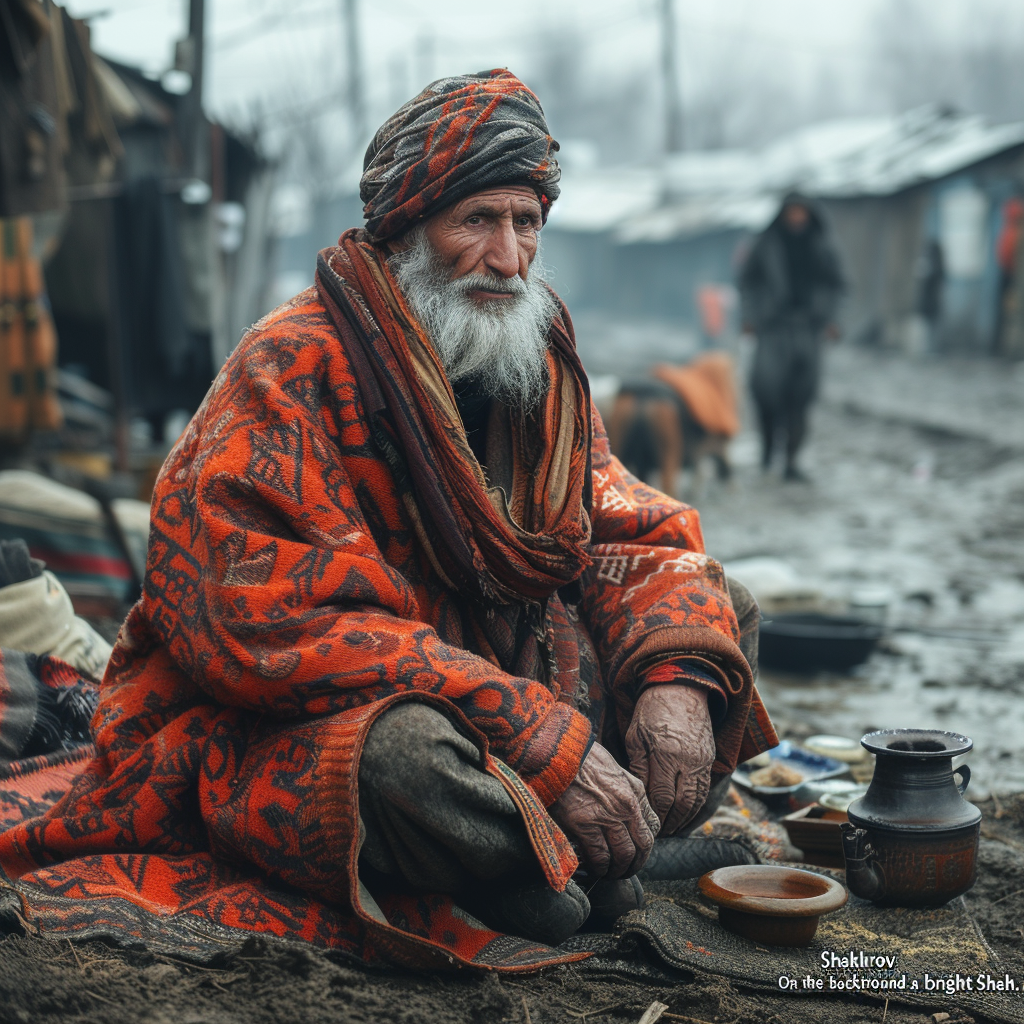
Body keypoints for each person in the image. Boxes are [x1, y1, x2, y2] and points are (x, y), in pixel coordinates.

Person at [0, 71, 775, 972]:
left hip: (507, 707)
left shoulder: (534, 362)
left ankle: (566, 868)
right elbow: (264, 625)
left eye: (527, 223)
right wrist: (531, 730)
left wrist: (674, 682)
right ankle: (564, 869)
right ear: (404, 229)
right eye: (477, 221)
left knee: (717, 616)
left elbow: (629, 531)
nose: (510, 258)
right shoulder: (287, 368)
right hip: (298, 725)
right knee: (406, 761)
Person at [739, 193, 844, 481]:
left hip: (808, 330)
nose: (797, 219)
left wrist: (831, 319)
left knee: (801, 396)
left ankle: (792, 461)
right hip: (772, 329)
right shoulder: (766, 245)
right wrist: (750, 317)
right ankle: (767, 450)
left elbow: (836, 285)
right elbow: (747, 282)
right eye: (792, 213)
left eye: (802, 213)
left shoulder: (822, 246)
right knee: (766, 391)